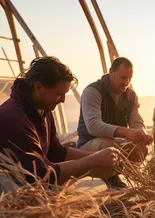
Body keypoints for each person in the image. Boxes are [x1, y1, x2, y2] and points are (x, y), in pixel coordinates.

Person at [0, 56, 119, 192]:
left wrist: (94, 156)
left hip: (31, 179)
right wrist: (92, 161)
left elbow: (55, 151)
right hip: (10, 191)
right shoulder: (14, 119)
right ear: (38, 86)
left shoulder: (43, 109)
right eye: (58, 94)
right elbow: (41, 177)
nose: (62, 100)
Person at [77, 57, 152, 188]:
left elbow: (136, 122)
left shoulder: (131, 96)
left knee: (140, 148)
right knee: (109, 146)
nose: (126, 82)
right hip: (88, 145)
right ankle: (112, 178)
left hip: (115, 143)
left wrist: (142, 134)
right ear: (111, 72)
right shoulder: (93, 91)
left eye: (129, 78)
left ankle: (128, 176)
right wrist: (126, 132)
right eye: (123, 78)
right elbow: (93, 126)